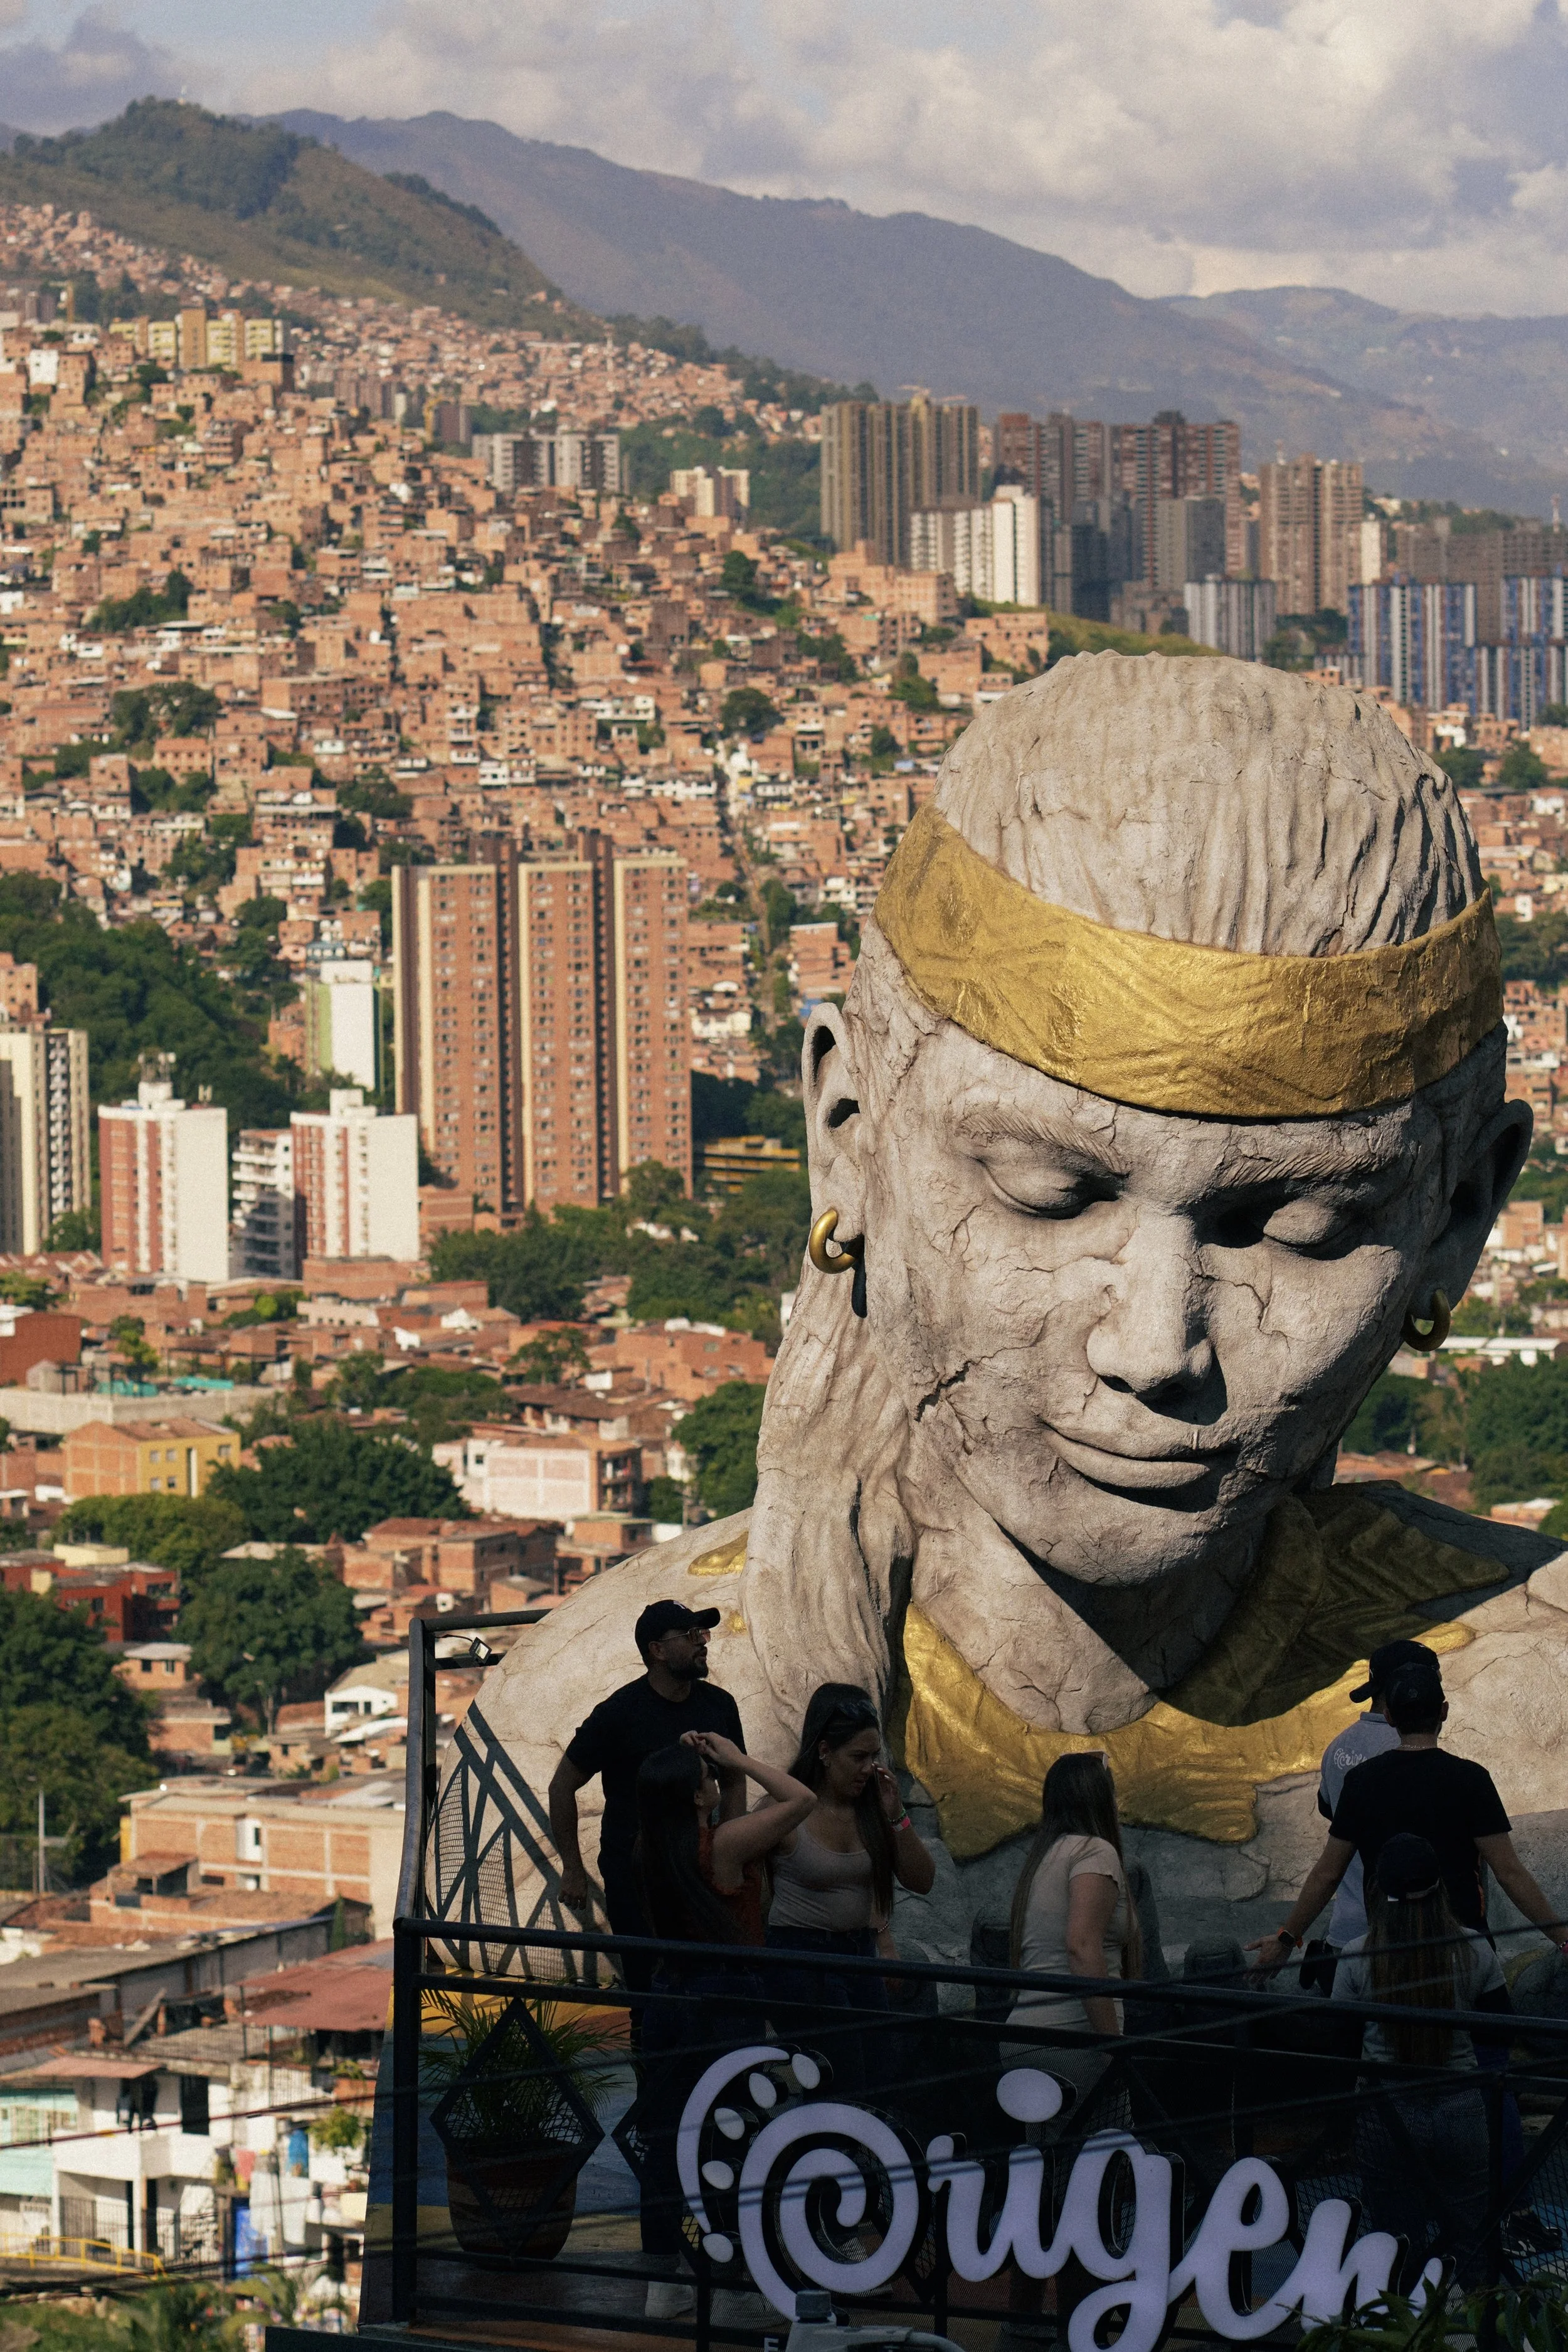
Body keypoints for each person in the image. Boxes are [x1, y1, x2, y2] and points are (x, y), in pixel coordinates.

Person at [632, 1731, 817, 2319]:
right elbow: (800, 1801)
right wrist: (740, 1761)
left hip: (668, 1998)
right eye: (706, 1780)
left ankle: (665, 2280)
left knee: (667, 2140)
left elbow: (728, 1830)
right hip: (726, 2003)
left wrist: (723, 1777)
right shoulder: (723, 1847)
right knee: (731, 2138)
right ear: (693, 1796)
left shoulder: (654, 1847)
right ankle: (730, 2275)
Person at [1254, 1653, 1568, 1964]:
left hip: (1385, 1951)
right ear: (1443, 1712)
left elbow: (1328, 1873)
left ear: (1389, 1716)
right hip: (1462, 1950)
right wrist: (1563, 1940)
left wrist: (1286, 1938)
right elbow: (1510, 1873)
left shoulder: (1361, 1781)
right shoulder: (1471, 1779)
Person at [999, 1752, 1143, 2352]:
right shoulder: (1096, 1854)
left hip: (1026, 2041)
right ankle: (1083, 2331)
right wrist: (1115, 2051)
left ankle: (1025, 2326)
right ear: (1097, 1795)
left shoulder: (1042, 1860)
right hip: (1075, 2046)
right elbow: (1084, 1950)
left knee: (1042, 2185)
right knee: (1094, 2188)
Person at [1332, 1832, 1512, 2291]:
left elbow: (1341, 2047)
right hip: (1462, 2110)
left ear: (1376, 1892)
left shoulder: (1354, 1959)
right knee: (1473, 2239)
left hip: (1385, 2116)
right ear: (1441, 1889)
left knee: (1394, 2245)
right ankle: (1487, 2337)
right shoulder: (1474, 1949)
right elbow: (1499, 2031)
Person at [547, 1600, 744, 2004]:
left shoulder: (719, 1705)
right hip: (635, 1874)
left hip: (701, 1869)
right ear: (657, 1650)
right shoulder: (618, 1714)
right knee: (648, 1991)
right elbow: (562, 1785)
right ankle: (652, 2064)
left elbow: (735, 1775)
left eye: (702, 1634)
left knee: (710, 1984)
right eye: (690, 1636)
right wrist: (572, 1868)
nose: (702, 1643)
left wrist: (732, 1844)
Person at [763, 1682, 936, 2100]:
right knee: (841, 2080)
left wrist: (897, 1817)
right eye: (858, 1757)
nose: (868, 1768)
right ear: (824, 1752)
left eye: (873, 1756)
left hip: (860, 1956)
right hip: (801, 1958)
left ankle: (859, 2160)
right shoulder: (785, 1809)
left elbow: (922, 1880)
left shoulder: (873, 1809)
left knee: (878, 2076)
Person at [1313, 1640, 1434, 1974]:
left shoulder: (1338, 1747)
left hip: (1345, 1930)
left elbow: (1330, 1813)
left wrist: (1287, 1936)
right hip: (1399, 1933)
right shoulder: (1406, 1750)